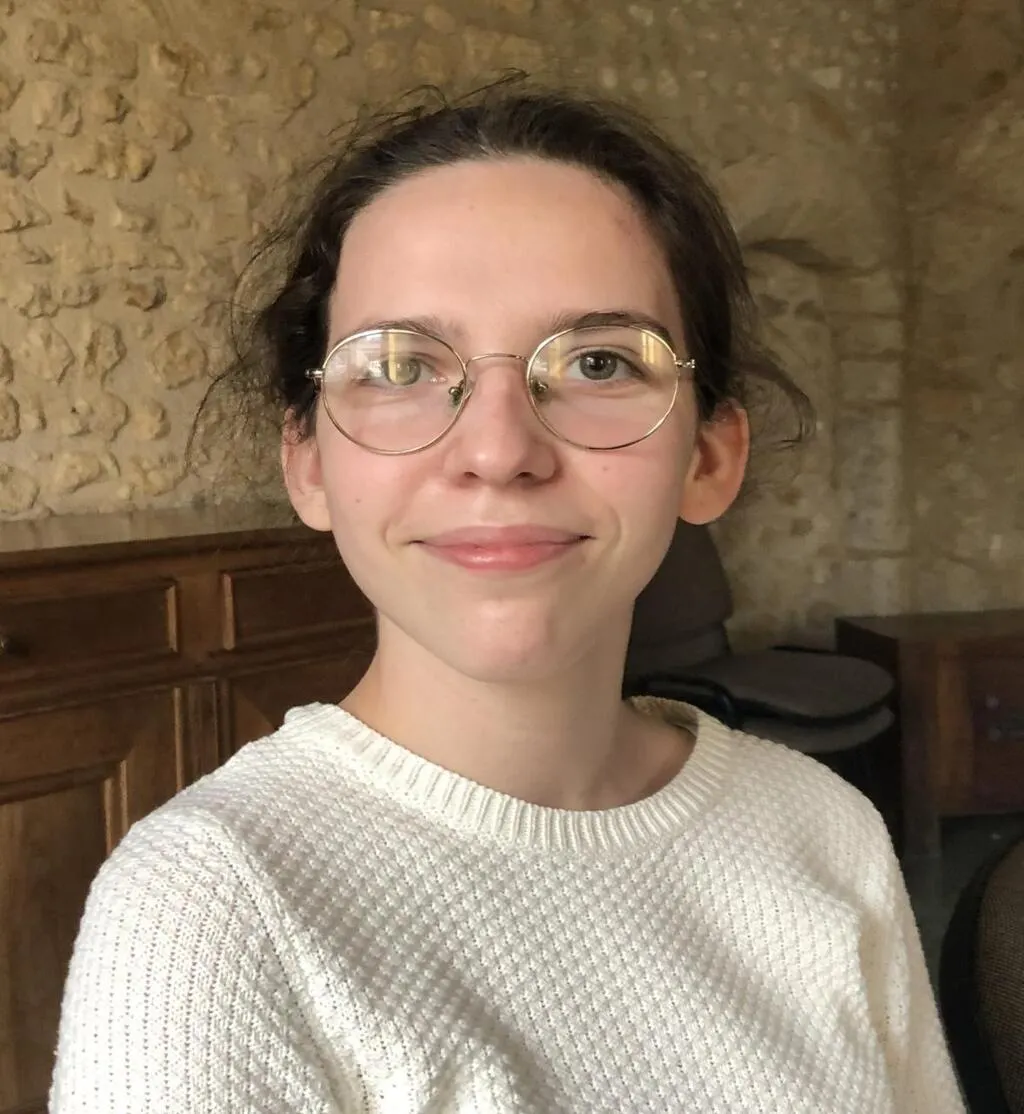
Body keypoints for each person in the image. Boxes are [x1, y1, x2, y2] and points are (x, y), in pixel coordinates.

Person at [50, 84, 965, 1113]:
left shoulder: (824, 831)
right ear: (306, 463)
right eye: (398, 365)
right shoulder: (215, 910)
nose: (497, 450)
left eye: (598, 361)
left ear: (709, 456)